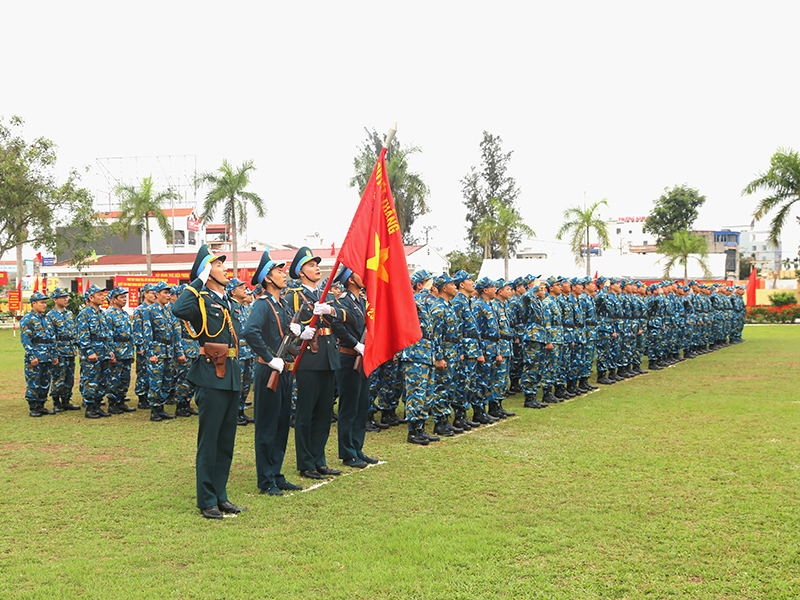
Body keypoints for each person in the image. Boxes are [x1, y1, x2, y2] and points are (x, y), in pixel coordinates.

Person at [172, 244, 247, 520]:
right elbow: (178, 309)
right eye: (217, 264)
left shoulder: (225, 299)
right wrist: (197, 281)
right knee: (209, 440)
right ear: (206, 272)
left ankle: (220, 495)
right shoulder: (199, 298)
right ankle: (206, 500)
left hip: (230, 374)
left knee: (226, 441)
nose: (225, 268)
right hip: (210, 374)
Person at [282, 247, 347, 480]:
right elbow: (285, 323)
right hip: (308, 357)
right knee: (306, 413)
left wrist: (331, 309)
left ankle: (320, 459)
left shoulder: (326, 294)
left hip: (328, 356)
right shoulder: (293, 295)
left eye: (317, 264)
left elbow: (340, 316)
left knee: (323, 413)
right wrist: (300, 331)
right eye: (311, 265)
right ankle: (306, 462)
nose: (317, 268)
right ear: (300, 271)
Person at [243, 250, 303, 496]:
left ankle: (276, 473)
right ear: (267, 278)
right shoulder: (262, 304)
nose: (283, 275)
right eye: (279, 271)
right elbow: (250, 332)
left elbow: (284, 336)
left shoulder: (283, 304)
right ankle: (266, 479)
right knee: (267, 427)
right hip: (269, 371)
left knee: (280, 425)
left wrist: (299, 333)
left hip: (285, 371)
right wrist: (270, 358)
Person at [330, 265, 379, 468]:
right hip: (349, 357)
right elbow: (337, 325)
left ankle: (358, 447)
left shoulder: (363, 300)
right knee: (348, 406)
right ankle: (347, 452)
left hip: (364, 357)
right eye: (359, 273)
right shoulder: (343, 301)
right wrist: (354, 343)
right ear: (350, 279)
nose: (364, 276)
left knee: (361, 405)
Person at [144, 281, 184, 422]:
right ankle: (155, 410)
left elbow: (175, 333)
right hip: (157, 351)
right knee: (156, 381)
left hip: (169, 351)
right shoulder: (150, 311)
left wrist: (178, 352)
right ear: (157, 294)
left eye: (169, 293)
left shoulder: (169, 311)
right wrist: (151, 353)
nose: (168, 296)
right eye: (165, 293)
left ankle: (161, 408)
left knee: (167, 381)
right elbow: (147, 333)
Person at [77, 284, 115, 418]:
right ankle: (90, 408)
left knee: (103, 380)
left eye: (102, 294)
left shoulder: (102, 314)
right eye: (99, 295)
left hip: (103, 352)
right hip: (93, 353)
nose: (102, 297)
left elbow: (107, 334)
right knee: (91, 380)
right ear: (91, 298)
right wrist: (89, 351)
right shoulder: (84, 314)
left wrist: (110, 350)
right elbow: (83, 335)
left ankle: (98, 405)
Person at [21, 291, 58, 417]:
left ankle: (41, 405)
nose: (44, 305)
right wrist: (32, 356)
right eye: (41, 302)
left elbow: (51, 338)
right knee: (34, 383)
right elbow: (26, 340)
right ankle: (33, 407)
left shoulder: (46, 319)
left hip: (47, 357)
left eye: (45, 302)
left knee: (45, 383)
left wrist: (54, 354)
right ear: (33, 304)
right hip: (36, 357)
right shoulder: (28, 319)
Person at [47, 287, 80, 412]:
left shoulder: (69, 314)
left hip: (70, 350)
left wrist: (75, 345)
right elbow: (51, 336)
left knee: (69, 378)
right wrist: (54, 353)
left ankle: (66, 401)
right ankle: (56, 402)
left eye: (66, 297)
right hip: (59, 351)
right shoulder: (51, 315)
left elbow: (74, 330)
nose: (66, 299)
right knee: (58, 377)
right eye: (62, 297)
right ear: (55, 300)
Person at [105, 286, 137, 413]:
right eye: (122, 297)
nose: (125, 299)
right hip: (117, 352)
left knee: (125, 379)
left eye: (125, 297)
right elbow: (108, 335)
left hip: (127, 351)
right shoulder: (109, 314)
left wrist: (131, 351)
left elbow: (129, 334)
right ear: (113, 299)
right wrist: (111, 353)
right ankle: (112, 404)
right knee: (114, 378)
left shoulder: (124, 314)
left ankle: (121, 401)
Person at [172, 284, 200, 417]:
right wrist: (180, 352)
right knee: (183, 378)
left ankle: (187, 403)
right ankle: (180, 405)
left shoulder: (193, 311)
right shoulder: (179, 312)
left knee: (192, 379)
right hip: (185, 349)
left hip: (194, 348)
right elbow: (177, 334)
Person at [133, 283, 155, 409]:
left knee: (152, 372)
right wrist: (140, 346)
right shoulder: (140, 310)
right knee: (143, 373)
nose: (154, 295)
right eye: (152, 293)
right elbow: (137, 330)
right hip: (144, 347)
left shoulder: (154, 309)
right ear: (145, 294)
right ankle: (142, 398)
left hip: (153, 346)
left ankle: (150, 396)